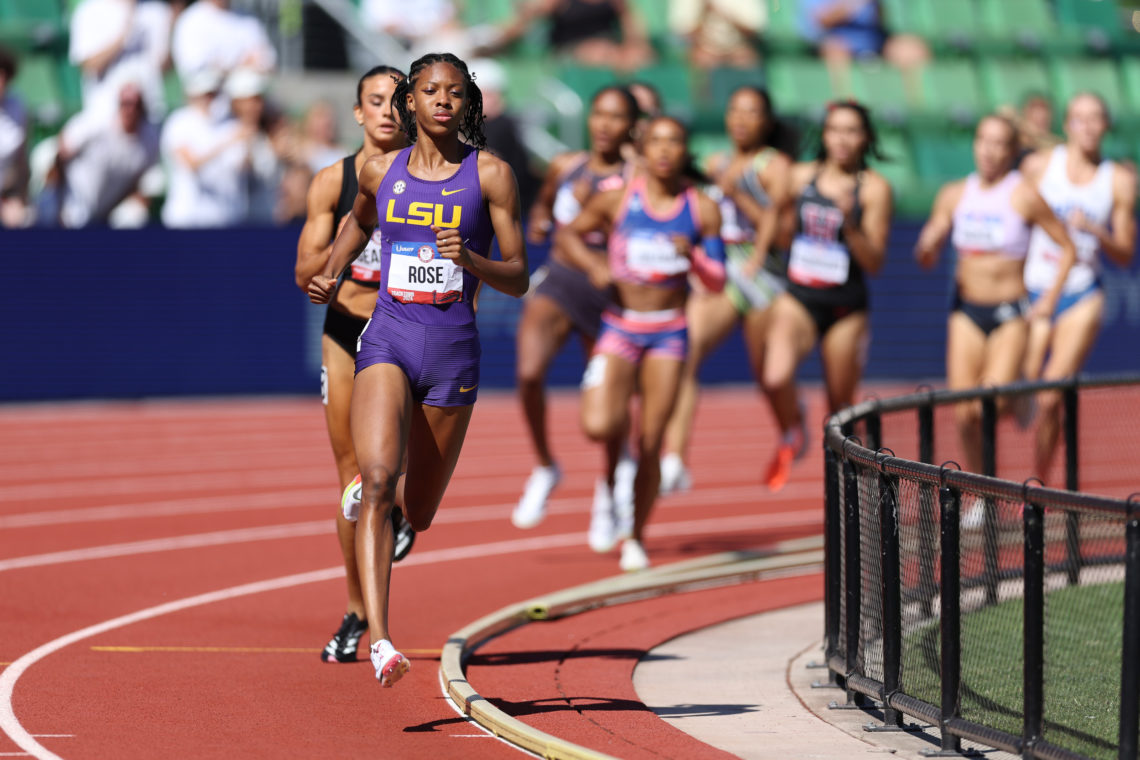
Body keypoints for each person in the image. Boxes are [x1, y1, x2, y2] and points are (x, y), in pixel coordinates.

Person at [307, 52, 529, 686]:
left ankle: (387, 498)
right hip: (389, 336)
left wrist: (473, 261)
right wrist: (333, 269)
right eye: (430, 90)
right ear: (411, 100)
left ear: (468, 103)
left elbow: (519, 276)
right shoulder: (381, 171)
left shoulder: (491, 175)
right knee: (377, 480)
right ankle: (380, 639)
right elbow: (358, 221)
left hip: (453, 351)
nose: (442, 101)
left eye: (454, 92)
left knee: (419, 510)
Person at [558, 115, 725, 572]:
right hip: (620, 326)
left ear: (686, 150)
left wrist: (693, 256)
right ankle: (612, 481)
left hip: (668, 332)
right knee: (598, 424)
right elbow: (568, 234)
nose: (665, 151)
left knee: (651, 441)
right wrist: (593, 266)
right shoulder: (618, 199)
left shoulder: (702, 208)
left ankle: (635, 535)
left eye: (675, 142)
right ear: (643, 150)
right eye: (657, 142)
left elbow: (717, 280)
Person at [294, 65, 417, 665]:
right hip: (348, 332)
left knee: (400, 478)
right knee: (354, 481)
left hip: (412, 330)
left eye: (397, 101)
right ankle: (357, 610)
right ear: (358, 113)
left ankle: (402, 510)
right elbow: (304, 273)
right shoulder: (333, 182)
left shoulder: (434, 178)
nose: (387, 111)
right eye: (376, 101)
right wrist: (347, 246)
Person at [914, 113, 1075, 485]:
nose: (989, 151)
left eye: (999, 143)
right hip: (966, 311)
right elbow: (928, 251)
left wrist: (1049, 299)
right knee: (964, 413)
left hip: (1009, 313)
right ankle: (983, 493)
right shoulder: (954, 193)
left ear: (1012, 150)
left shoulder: (1024, 195)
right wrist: (928, 246)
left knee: (989, 404)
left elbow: (1067, 247)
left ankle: (1015, 396)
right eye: (983, 141)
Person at [512, 86, 639, 553]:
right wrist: (540, 220)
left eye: (616, 117)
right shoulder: (566, 165)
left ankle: (609, 489)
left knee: (608, 412)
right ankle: (546, 466)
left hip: (611, 295)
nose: (604, 124)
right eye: (598, 114)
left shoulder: (637, 177)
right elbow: (544, 206)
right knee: (529, 373)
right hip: (562, 280)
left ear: (631, 126)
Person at [660, 86, 792, 494]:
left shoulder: (775, 166)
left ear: (766, 121)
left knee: (768, 376)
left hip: (763, 274)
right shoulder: (714, 162)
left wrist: (736, 193)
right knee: (687, 352)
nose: (740, 119)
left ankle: (790, 427)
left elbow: (782, 231)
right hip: (724, 269)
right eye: (735, 110)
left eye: (751, 112)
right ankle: (674, 459)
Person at [762, 100, 892, 491]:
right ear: (824, 134)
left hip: (845, 306)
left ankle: (851, 486)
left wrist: (850, 223)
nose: (842, 139)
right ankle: (793, 425)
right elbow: (778, 229)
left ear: (865, 138)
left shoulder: (874, 189)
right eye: (835, 129)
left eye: (851, 131)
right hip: (800, 297)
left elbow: (875, 262)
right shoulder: (800, 177)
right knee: (775, 376)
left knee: (840, 409)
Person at [1020, 93, 1136, 483]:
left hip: (1082, 292)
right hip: (1035, 287)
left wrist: (1095, 230)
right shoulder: (1040, 165)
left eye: (1095, 118)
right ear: (1067, 124)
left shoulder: (1118, 180)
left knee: (1049, 394)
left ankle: (1036, 484)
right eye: (1079, 118)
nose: (1087, 126)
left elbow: (1125, 253)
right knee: (1021, 385)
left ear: (1106, 125)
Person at [55, 81, 160, 228]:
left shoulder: (149, 141)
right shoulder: (96, 122)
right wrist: (58, 200)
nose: (130, 109)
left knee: (134, 214)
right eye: (126, 103)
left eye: (136, 105)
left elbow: (138, 182)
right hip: (72, 204)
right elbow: (61, 152)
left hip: (104, 213)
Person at [160, 68, 247, 228]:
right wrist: (228, 142)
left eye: (213, 93)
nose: (210, 99)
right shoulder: (179, 122)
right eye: (206, 94)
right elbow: (191, 163)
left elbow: (241, 168)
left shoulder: (230, 125)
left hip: (223, 219)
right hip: (187, 218)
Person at [68, 0, 174, 117]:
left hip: (149, 113)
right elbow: (88, 65)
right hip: (105, 114)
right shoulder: (90, 10)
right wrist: (122, 37)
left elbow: (163, 67)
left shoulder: (157, 11)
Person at [668, 0, 766, 69]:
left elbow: (754, 32)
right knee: (700, 58)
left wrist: (726, 16)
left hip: (740, 47)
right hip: (704, 48)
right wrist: (703, 13)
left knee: (746, 59)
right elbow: (684, 34)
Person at [0, 46, 29, 228]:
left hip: (7, 194)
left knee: (21, 219)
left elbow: (21, 162)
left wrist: (18, 197)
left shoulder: (18, 106)